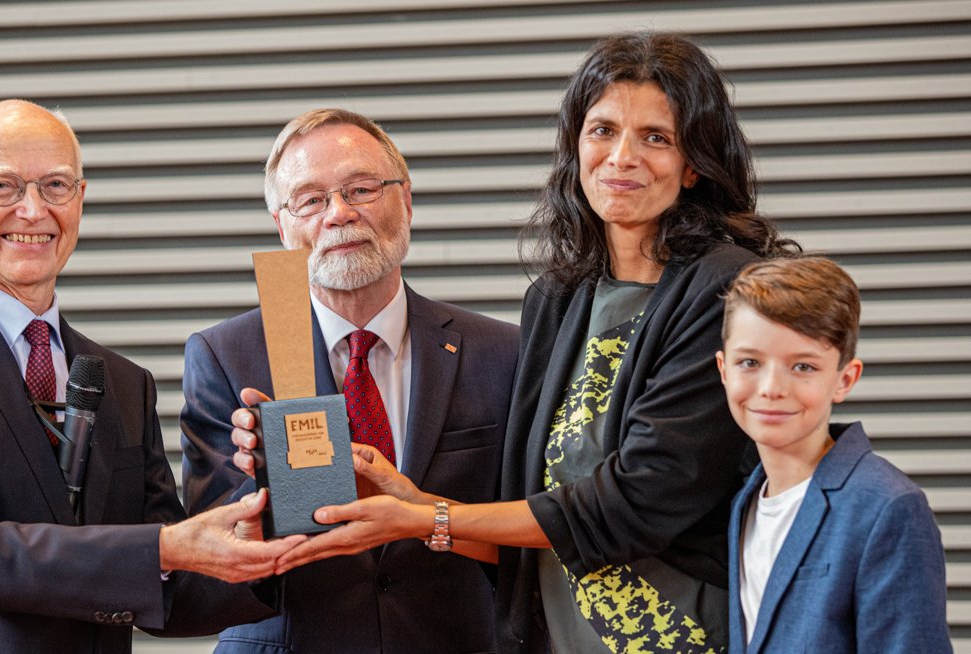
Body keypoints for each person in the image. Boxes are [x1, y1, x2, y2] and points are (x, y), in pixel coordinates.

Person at [267, 33, 801, 653]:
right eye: (601, 130)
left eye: (656, 137)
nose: (621, 157)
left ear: (693, 163)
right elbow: (528, 518)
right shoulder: (557, 298)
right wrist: (419, 508)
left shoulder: (725, 288)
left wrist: (427, 517)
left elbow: (638, 500)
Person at [0, 99, 307, 654]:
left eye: (55, 185)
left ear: (80, 200)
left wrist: (266, 527)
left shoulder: (126, 383)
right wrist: (166, 548)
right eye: (3, 187)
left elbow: (172, 594)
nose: (33, 211)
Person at [180, 108, 519, 652]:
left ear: (406, 200)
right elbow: (202, 583)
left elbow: (534, 545)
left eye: (361, 189)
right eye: (311, 200)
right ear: (282, 226)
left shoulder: (503, 352)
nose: (339, 214)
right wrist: (257, 494)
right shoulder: (225, 355)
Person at [716, 257, 950, 653]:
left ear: (845, 379)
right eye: (750, 362)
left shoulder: (887, 507)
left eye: (803, 366)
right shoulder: (746, 502)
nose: (772, 387)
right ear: (724, 369)